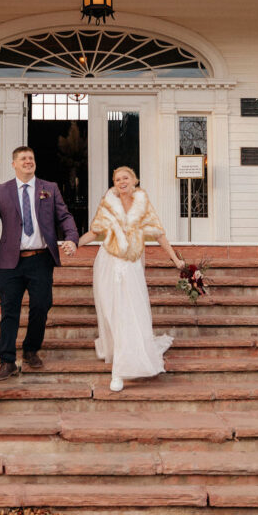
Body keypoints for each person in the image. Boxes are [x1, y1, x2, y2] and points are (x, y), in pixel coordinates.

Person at [78, 166, 183, 392]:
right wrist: (74, 243)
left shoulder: (143, 205)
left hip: (131, 265)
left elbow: (159, 234)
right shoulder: (109, 204)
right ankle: (119, 354)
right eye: (117, 179)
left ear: (134, 180)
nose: (121, 182)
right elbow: (94, 232)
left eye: (125, 177)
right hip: (107, 263)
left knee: (130, 311)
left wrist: (175, 258)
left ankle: (121, 370)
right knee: (112, 312)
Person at [0, 145, 79, 381]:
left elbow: (64, 216)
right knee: (9, 311)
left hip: (40, 260)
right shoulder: (2, 191)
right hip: (8, 262)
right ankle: (6, 360)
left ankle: (31, 349)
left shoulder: (49, 189)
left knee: (41, 306)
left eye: (31, 158)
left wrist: (72, 239)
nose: (28, 161)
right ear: (13, 164)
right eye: (23, 158)